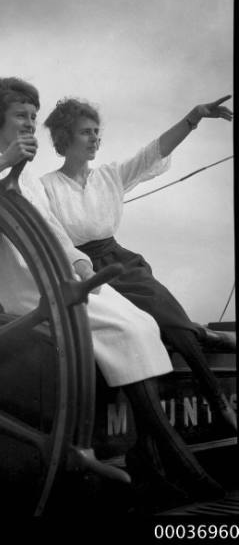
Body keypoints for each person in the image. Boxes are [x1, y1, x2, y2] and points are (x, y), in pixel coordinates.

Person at [0, 77, 224, 507]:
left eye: (34, 116)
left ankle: (151, 466)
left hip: (62, 273)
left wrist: (80, 261)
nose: (30, 123)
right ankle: (180, 465)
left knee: (143, 324)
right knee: (128, 332)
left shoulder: (30, 175)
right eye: (21, 116)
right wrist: (4, 160)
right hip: (29, 287)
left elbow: (53, 231)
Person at [41, 95, 237, 434]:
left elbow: (153, 153)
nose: (95, 139)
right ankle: (204, 335)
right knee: (140, 333)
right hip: (83, 274)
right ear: (64, 138)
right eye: (86, 132)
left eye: (97, 132)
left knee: (174, 325)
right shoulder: (46, 187)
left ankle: (217, 400)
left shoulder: (109, 176)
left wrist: (192, 118)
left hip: (120, 263)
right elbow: (52, 239)